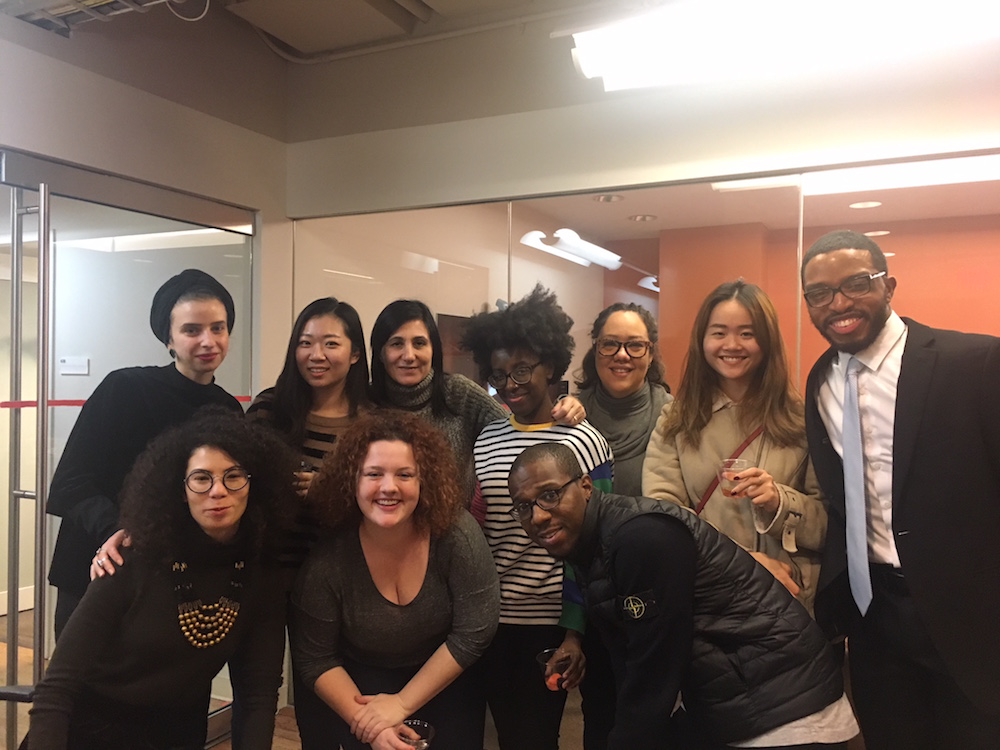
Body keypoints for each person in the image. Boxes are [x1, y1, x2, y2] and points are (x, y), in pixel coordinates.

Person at [510, 442, 859, 750]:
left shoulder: (638, 538)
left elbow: (653, 667)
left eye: (550, 494)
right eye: (524, 507)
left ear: (586, 486)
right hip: (734, 698)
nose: (538, 515)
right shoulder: (595, 542)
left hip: (782, 708)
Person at [801, 229, 1000, 748]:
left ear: (888, 286)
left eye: (856, 284)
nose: (838, 303)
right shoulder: (820, 380)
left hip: (972, 616)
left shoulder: (975, 364)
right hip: (875, 618)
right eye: (819, 294)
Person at [26, 410, 295, 749]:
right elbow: (56, 689)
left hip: (177, 734)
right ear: (181, 490)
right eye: (201, 478)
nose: (217, 491)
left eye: (234, 476)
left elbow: (259, 693)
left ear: (254, 485)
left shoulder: (262, 576)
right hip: (86, 730)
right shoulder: (132, 560)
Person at [47, 268, 243, 637]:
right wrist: (120, 530)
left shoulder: (228, 409)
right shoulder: (124, 388)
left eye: (218, 328)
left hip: (171, 575)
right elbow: (71, 482)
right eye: (191, 330)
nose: (208, 340)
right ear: (168, 338)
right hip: (100, 566)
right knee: (83, 689)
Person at [290, 411, 500, 750]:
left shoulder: (456, 535)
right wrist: (374, 724)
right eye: (374, 474)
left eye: (405, 474)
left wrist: (401, 704)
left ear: (424, 481)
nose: (389, 487)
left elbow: (475, 630)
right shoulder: (327, 562)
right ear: (352, 481)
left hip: (445, 676)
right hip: (362, 691)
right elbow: (316, 658)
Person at [461, 285, 613, 750]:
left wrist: (575, 632)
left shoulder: (584, 441)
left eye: (522, 369)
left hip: (559, 623)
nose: (510, 384)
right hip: (496, 623)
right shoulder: (485, 440)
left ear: (551, 364)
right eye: (499, 374)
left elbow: (599, 547)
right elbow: (481, 534)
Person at [643, 280, 827, 613]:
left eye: (746, 333)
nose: (732, 345)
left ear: (767, 341)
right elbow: (663, 517)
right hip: (708, 595)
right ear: (702, 340)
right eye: (718, 333)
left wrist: (779, 501)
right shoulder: (677, 419)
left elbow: (829, 523)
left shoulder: (802, 419)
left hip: (787, 599)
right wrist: (743, 564)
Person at [246, 297, 370, 748]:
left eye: (330, 343)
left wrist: (330, 488)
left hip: (340, 578)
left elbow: (384, 500)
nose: (315, 355)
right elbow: (240, 481)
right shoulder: (269, 409)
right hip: (269, 572)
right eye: (305, 343)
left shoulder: (370, 422)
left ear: (354, 353)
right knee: (261, 691)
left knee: (330, 689)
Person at [368, 299, 586, 503]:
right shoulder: (365, 404)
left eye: (419, 343)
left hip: (456, 537)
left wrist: (563, 405)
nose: (409, 355)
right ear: (381, 353)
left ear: (433, 350)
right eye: (396, 344)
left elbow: (517, 428)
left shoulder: (458, 394)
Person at [575, 302, 671, 496]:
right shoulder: (572, 416)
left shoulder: (673, 418)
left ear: (651, 355)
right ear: (596, 349)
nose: (621, 355)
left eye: (635, 345)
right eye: (609, 344)